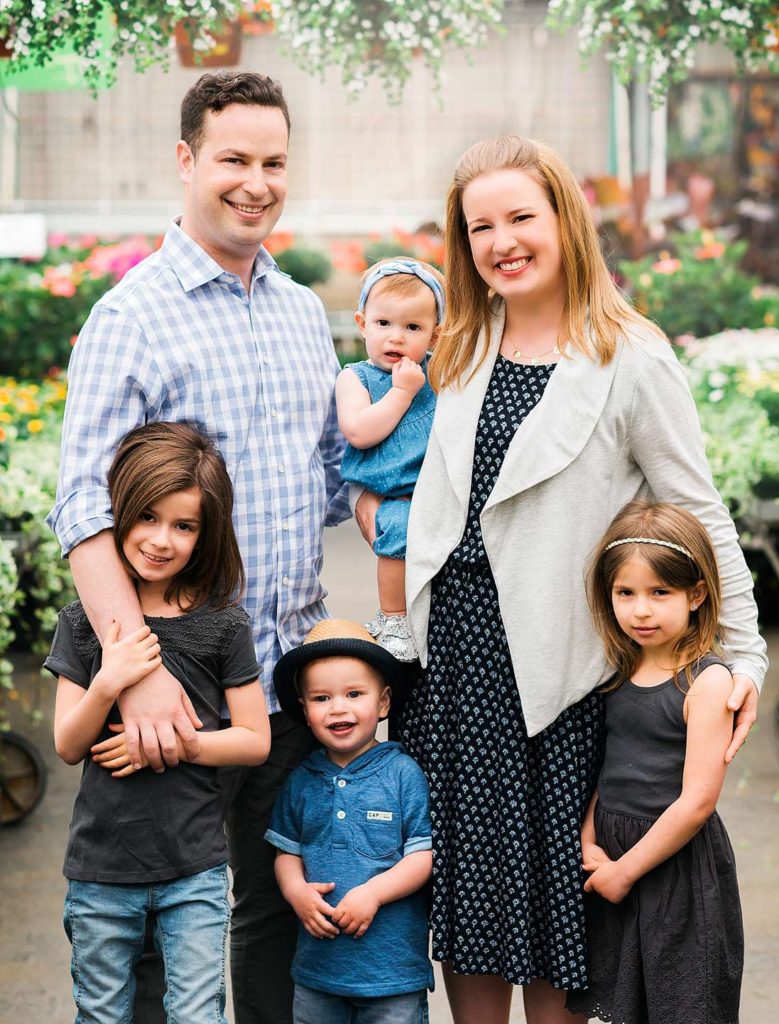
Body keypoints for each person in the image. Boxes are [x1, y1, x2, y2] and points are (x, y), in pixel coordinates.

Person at [382, 135, 768, 1024]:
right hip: (460, 668)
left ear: (565, 219)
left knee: (563, 912)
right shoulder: (464, 342)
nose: (500, 240)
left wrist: (740, 657)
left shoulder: (628, 355)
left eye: (521, 216)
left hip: (560, 670)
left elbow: (697, 514)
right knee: (472, 904)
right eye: (480, 226)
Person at [46, 72, 350, 1024]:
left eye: (273, 163)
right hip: (170, 690)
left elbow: (337, 483)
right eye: (233, 160)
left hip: (279, 681)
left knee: (267, 920)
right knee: (143, 930)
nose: (255, 183)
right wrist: (135, 674)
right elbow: (83, 508)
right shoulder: (130, 317)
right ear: (186, 161)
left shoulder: (303, 313)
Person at [46, 422, 271, 1024]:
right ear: (117, 512)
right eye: (145, 517)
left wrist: (174, 744)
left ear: (206, 533)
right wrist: (111, 679)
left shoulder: (224, 624)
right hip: (100, 871)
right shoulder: (83, 622)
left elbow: (254, 740)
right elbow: (68, 743)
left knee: (198, 1014)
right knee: (102, 1014)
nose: (161, 540)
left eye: (184, 525)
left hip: (193, 869)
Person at [568, 500, 742, 1023]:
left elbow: (697, 802)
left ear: (696, 594)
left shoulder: (706, 682)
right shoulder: (620, 668)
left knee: (681, 1002)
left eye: (659, 593)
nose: (640, 610)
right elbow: (609, 766)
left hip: (674, 867)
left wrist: (624, 872)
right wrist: (588, 840)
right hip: (614, 852)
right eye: (625, 593)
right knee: (627, 1003)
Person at [266, 618, 434, 1023]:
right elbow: (287, 853)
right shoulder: (302, 780)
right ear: (305, 711)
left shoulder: (402, 774)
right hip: (318, 975)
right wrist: (296, 892)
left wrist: (373, 893)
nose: (338, 707)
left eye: (354, 694)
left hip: (391, 975)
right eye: (321, 698)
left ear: (383, 703)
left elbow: (422, 857)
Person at [337, 258, 444, 660]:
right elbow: (359, 431)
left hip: (432, 488)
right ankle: (394, 618)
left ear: (433, 336)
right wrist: (400, 393)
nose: (395, 337)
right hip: (389, 490)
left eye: (412, 328)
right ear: (363, 324)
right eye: (384, 324)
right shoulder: (356, 378)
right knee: (397, 534)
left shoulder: (437, 373)